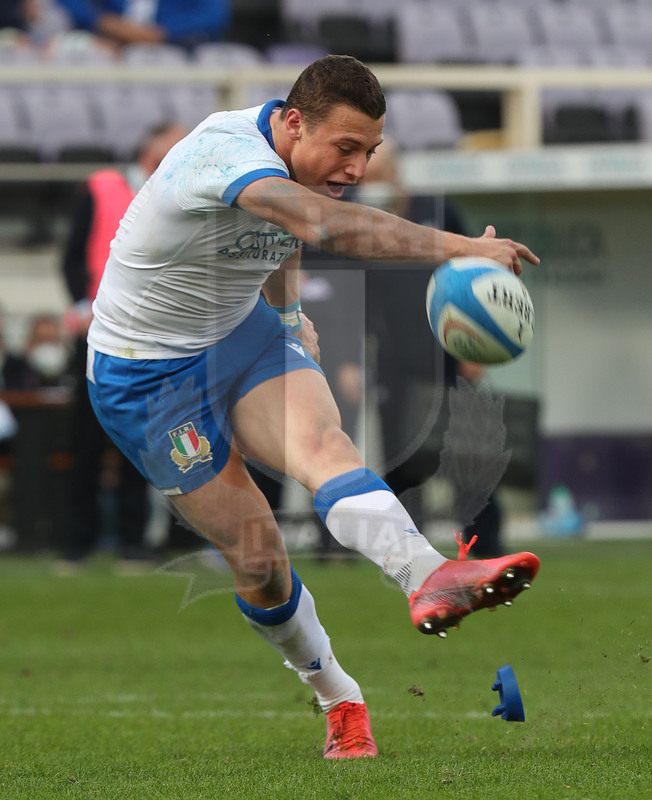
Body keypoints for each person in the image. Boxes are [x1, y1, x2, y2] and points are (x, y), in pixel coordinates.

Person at [85, 55, 541, 759]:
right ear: (293, 124)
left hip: (242, 336)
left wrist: (291, 314)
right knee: (261, 557)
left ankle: (429, 576)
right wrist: (460, 249)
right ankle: (338, 697)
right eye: (347, 148)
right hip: (146, 379)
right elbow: (318, 224)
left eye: (371, 152)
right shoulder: (221, 153)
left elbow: (278, 237)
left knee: (326, 449)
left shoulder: (295, 158)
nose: (358, 167)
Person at [360, 138, 504, 557]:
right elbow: (363, 298)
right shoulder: (363, 221)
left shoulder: (437, 211)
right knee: (401, 462)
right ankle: (411, 554)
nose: (369, 183)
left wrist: (473, 349)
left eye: (376, 174)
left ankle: (486, 546)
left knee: (467, 459)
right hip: (395, 362)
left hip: (447, 356)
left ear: (396, 172)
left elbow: (471, 275)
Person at [58, 123, 185, 569]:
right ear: (149, 145)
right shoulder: (102, 188)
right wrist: (81, 306)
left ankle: (134, 542)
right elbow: (73, 255)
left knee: (143, 441)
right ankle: (77, 543)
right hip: (99, 332)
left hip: (153, 338)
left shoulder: (182, 195)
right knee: (86, 441)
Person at [55, 0, 231, 49]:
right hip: (109, 42)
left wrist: (162, 32)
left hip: (173, 47)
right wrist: (101, 21)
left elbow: (213, 16)